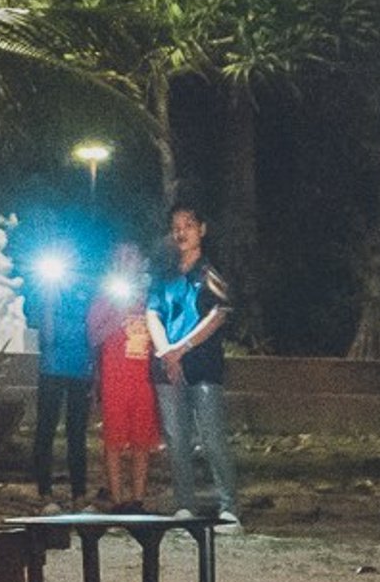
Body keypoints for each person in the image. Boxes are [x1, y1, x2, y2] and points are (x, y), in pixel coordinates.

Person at [147, 202, 238, 526]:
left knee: (212, 437)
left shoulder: (211, 272)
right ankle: (185, 504)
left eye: (188, 224)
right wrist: (165, 352)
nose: (181, 231)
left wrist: (181, 349)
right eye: (176, 226)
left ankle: (229, 506)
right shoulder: (163, 273)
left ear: (202, 229)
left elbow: (218, 314)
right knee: (175, 437)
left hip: (202, 365)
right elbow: (152, 313)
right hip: (166, 366)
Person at [20, 224, 95, 506]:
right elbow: (47, 335)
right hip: (52, 367)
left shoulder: (85, 290)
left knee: (77, 432)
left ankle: (79, 492)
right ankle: (45, 491)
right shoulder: (47, 290)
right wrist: (50, 297)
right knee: (46, 428)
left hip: (79, 369)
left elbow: (92, 328)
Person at [91, 239, 159, 508]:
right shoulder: (106, 297)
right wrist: (118, 311)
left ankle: (138, 498)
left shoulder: (150, 296)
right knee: (114, 440)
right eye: (121, 257)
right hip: (115, 378)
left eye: (131, 256)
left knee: (142, 440)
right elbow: (94, 335)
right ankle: (118, 498)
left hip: (143, 378)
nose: (126, 261)